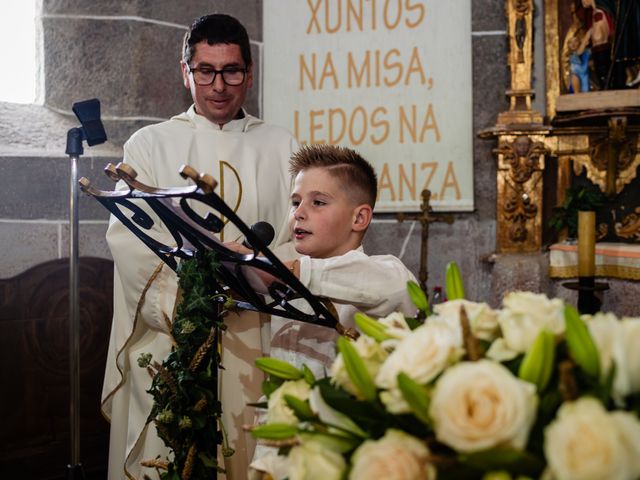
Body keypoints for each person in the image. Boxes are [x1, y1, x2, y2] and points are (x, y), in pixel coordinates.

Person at [101, 14, 298, 480]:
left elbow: (296, 237)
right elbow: (131, 243)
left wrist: (257, 276)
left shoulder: (282, 146)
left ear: (249, 74)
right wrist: (199, 286)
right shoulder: (149, 145)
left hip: (254, 333)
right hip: (173, 338)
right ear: (184, 72)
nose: (219, 85)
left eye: (232, 71)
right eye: (205, 70)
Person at [238, 144, 418, 478]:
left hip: (348, 457)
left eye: (317, 202)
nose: (299, 214)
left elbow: (388, 288)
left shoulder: (387, 273)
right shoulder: (289, 277)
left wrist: (255, 263)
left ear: (359, 217)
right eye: (295, 202)